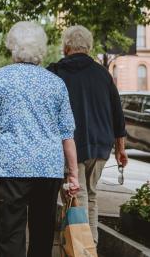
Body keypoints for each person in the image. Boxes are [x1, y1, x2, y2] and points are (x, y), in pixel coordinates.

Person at [0, 21, 80, 257]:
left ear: (12, 46)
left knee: (9, 232)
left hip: (11, 167)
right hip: (48, 168)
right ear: (41, 49)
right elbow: (67, 134)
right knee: (43, 232)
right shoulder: (56, 83)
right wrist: (73, 174)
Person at [47, 25, 128, 243]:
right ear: (88, 47)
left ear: (66, 46)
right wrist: (121, 149)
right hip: (101, 146)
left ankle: (81, 248)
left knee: (76, 198)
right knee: (90, 196)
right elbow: (117, 114)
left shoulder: (55, 71)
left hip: (71, 145)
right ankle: (90, 246)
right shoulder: (102, 73)